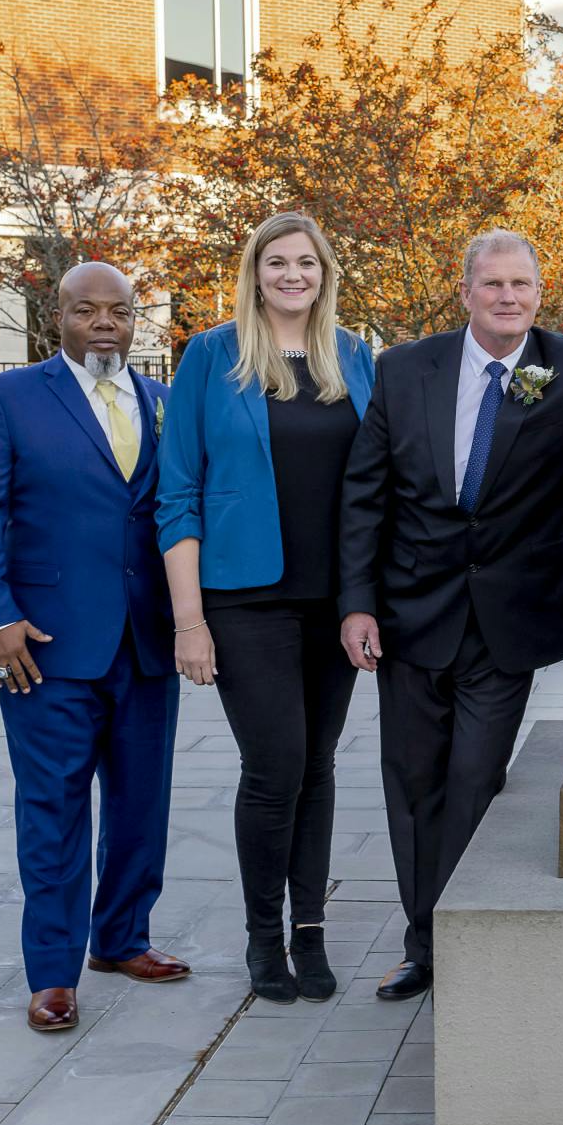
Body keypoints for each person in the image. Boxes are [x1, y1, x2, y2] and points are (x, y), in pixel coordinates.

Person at [338, 228, 563, 1001]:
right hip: (410, 610)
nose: (510, 298)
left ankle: (461, 936)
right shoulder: (405, 369)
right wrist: (357, 605)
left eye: (524, 285)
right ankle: (423, 943)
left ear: (539, 292)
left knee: (473, 777)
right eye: (495, 285)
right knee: (412, 781)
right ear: (466, 292)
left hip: (509, 615)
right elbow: (365, 495)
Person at [0, 262, 188, 1032]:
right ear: (58, 317)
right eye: (87, 311)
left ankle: (122, 937)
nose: (105, 323)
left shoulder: (164, 401)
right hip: (42, 645)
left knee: (141, 801)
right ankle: (52, 971)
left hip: (146, 639)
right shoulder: (9, 399)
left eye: (119, 311)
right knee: (51, 809)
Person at [158, 212, 376, 1003]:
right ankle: (261, 937)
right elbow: (176, 492)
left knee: (317, 765)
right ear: (254, 272)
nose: (292, 275)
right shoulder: (211, 356)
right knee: (276, 764)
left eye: (306, 263)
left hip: (336, 600)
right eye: (276, 262)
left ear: (325, 273)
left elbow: (375, 485)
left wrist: (372, 599)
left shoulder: (353, 357)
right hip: (244, 600)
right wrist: (190, 621)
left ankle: (308, 932)